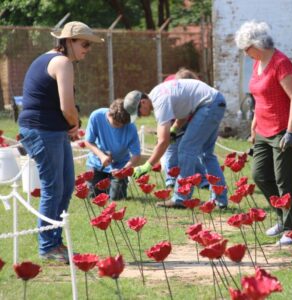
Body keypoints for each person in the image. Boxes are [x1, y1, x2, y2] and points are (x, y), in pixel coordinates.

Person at [18, 21, 103, 263]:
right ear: (69, 42)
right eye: (84, 44)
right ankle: (48, 247)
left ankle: (55, 243)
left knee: (65, 186)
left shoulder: (53, 59)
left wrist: (68, 125)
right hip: (43, 130)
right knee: (54, 188)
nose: (87, 49)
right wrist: (74, 125)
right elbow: (67, 107)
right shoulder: (63, 62)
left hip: (50, 130)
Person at [235, 21, 292, 245]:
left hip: (285, 129)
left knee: (284, 180)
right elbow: (258, 97)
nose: (245, 54)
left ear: (256, 45)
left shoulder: (281, 63)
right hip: (264, 130)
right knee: (260, 175)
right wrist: (254, 126)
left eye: (246, 49)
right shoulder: (257, 63)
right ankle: (282, 218)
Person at [124, 79, 228, 208]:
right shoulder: (158, 92)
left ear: (143, 102)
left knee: (186, 149)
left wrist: (147, 165)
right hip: (216, 101)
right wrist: (174, 130)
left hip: (209, 105)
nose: (140, 116)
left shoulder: (159, 102)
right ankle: (220, 200)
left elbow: (163, 142)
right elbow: (183, 113)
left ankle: (181, 198)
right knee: (206, 154)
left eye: (138, 113)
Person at [84, 98, 141, 200]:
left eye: (122, 125)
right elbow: (88, 141)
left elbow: (136, 155)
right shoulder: (96, 116)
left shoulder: (131, 126)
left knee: (116, 198)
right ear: (109, 114)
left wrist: (123, 171)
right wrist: (101, 156)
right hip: (97, 164)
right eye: (116, 124)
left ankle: (116, 185)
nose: (119, 127)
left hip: (120, 166)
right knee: (93, 197)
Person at [162, 68, 209, 189]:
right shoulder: (167, 88)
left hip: (192, 118)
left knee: (194, 150)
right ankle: (171, 179)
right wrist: (169, 130)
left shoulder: (198, 90)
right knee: (172, 148)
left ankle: (202, 179)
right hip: (172, 117)